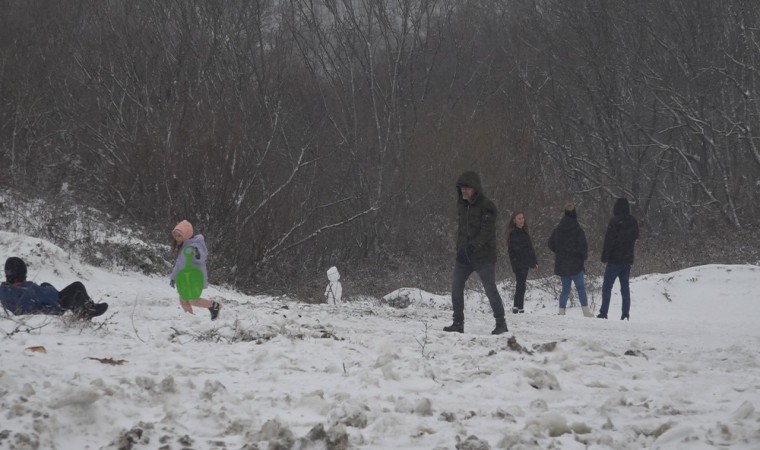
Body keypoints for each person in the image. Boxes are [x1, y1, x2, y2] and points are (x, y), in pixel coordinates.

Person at [444, 171, 508, 335]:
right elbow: (461, 231)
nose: (463, 191)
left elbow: (487, 232)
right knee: (456, 287)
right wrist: (460, 249)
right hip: (464, 256)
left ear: (475, 188)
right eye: (461, 188)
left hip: (483, 256)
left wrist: (473, 246)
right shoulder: (461, 205)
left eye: (467, 188)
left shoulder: (487, 206)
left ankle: (501, 323)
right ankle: (458, 323)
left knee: (490, 288)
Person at [0, 257, 108, 319]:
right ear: (22, 272)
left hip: (32, 309)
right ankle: (89, 311)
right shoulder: (28, 288)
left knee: (45, 284)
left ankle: (82, 312)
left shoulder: (3, 290)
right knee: (77, 287)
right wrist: (50, 289)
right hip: (53, 308)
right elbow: (50, 297)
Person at [548, 203, 593, 317]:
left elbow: (550, 244)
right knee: (581, 289)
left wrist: (559, 251)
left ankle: (561, 311)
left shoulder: (558, 229)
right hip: (576, 264)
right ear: (574, 213)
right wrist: (583, 257)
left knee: (565, 290)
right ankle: (586, 312)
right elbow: (583, 247)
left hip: (563, 264)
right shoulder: (578, 229)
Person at [170, 220, 221, 320]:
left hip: (194, 277)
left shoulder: (196, 244)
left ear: (187, 234)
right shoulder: (184, 246)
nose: (177, 238)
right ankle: (189, 318)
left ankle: (213, 305)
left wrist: (197, 253)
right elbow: (178, 265)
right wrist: (173, 277)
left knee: (192, 299)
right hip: (185, 277)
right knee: (183, 299)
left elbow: (203, 256)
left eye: (179, 235)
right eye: (175, 236)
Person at [598, 198, 640, 320]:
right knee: (625, 288)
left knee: (607, 287)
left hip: (614, 259)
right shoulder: (632, 221)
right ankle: (625, 313)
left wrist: (604, 256)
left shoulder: (614, 221)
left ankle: (604, 312)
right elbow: (636, 236)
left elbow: (609, 240)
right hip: (627, 259)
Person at [506, 212, 538, 314]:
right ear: (514, 221)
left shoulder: (524, 232)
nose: (522, 220)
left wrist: (534, 262)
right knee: (520, 284)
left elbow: (530, 248)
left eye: (522, 218)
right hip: (518, 262)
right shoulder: (513, 233)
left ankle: (519, 306)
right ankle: (517, 306)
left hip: (524, 262)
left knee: (521, 284)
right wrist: (529, 261)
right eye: (519, 218)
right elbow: (517, 250)